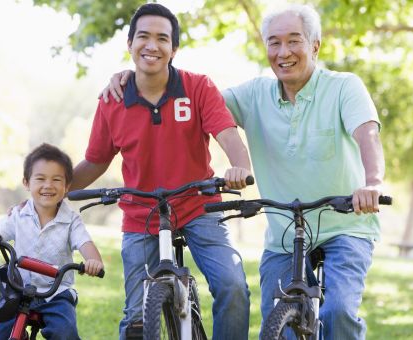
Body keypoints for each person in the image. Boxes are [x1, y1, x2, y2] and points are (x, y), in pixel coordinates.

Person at [101, 4, 385, 340]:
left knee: (337, 311)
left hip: (345, 225)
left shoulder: (344, 87)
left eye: (294, 41)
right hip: (284, 232)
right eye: (274, 43)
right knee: (276, 322)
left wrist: (372, 184)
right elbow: (193, 104)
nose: (283, 52)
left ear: (315, 46)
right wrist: (133, 79)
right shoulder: (254, 94)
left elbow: (367, 135)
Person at [70, 3, 252, 339]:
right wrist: (55, 189)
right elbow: (96, 160)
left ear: (174, 49)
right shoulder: (112, 100)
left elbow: (227, 133)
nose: (151, 45)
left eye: (162, 39)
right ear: (130, 44)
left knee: (233, 286)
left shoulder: (198, 87)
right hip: (142, 215)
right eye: (143, 37)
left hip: (199, 207)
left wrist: (240, 166)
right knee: (135, 318)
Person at [0, 143, 104, 340]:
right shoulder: (18, 214)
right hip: (16, 289)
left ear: (67, 186)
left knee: (65, 332)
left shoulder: (71, 220)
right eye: (40, 179)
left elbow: (85, 243)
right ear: (27, 183)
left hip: (56, 294)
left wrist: (93, 261)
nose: (48, 185)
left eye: (56, 179)